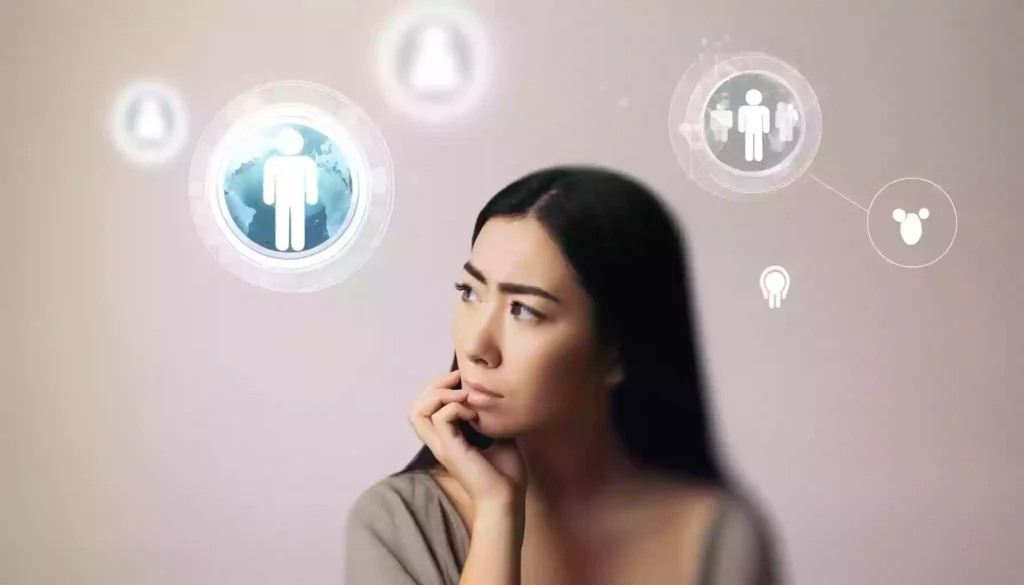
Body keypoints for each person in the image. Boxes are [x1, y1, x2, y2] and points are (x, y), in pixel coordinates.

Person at [343, 165, 782, 584]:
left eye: (524, 310)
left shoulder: (719, 536)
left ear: (616, 351)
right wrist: (498, 512)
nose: (476, 346)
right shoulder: (399, 523)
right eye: (470, 292)